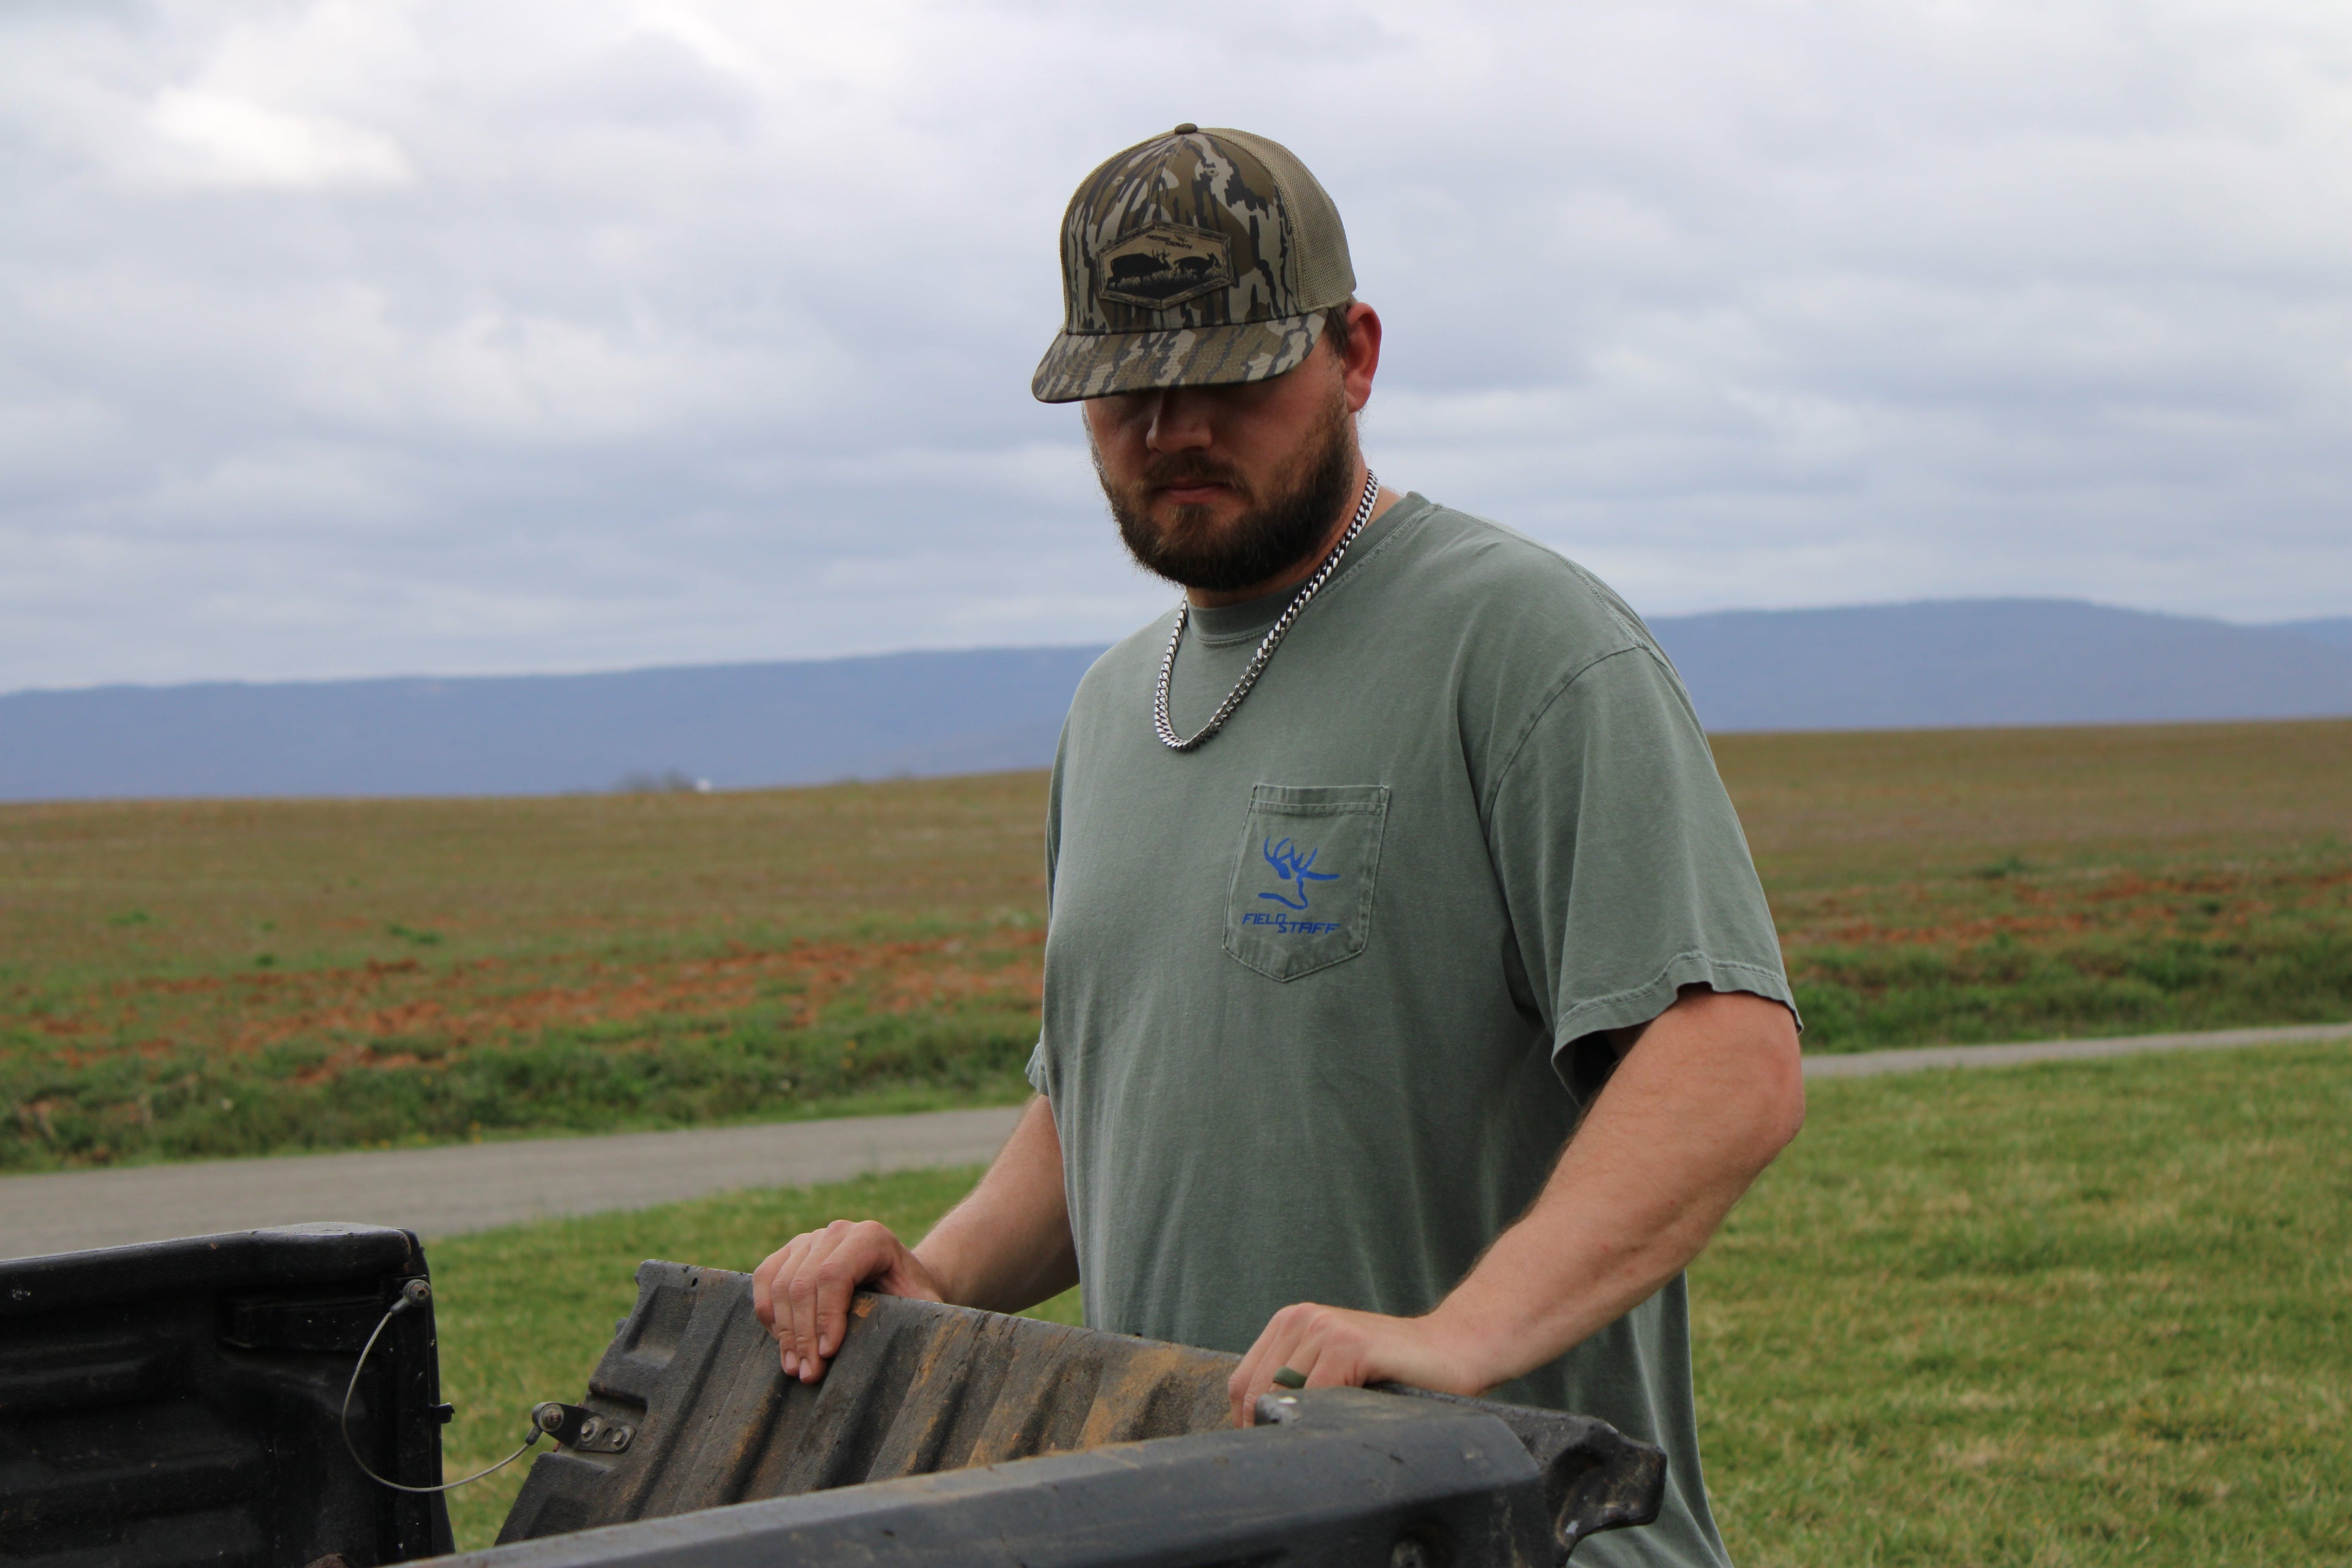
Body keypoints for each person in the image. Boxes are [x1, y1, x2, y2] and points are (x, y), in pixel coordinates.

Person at [751, 125, 1804, 1567]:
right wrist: (937, 1271)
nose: (1173, 426)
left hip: (1500, 1533)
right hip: (1200, 1528)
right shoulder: (1113, 706)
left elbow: (1728, 1060)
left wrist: (1458, 1335)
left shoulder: (1524, 642)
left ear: (1353, 355)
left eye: (1230, 375)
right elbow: (1111, 1105)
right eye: (1128, 388)